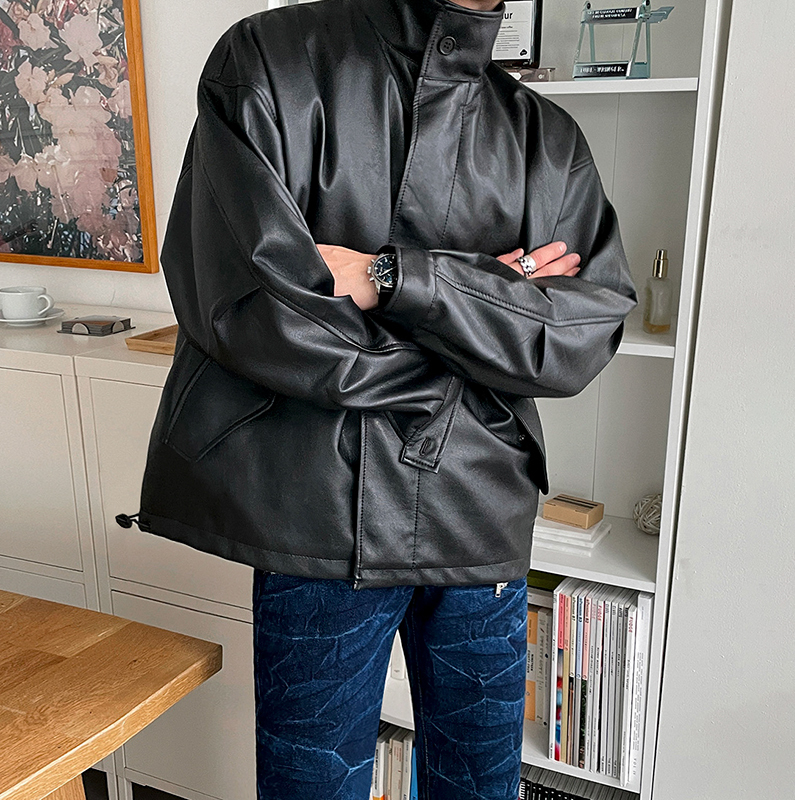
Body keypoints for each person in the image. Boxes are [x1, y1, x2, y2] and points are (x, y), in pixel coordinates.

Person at [123, 0, 637, 797]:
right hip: (319, 526)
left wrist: (387, 277)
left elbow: (581, 335)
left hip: (480, 520)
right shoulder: (268, 62)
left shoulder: (547, 139)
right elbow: (251, 306)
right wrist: (485, 307)